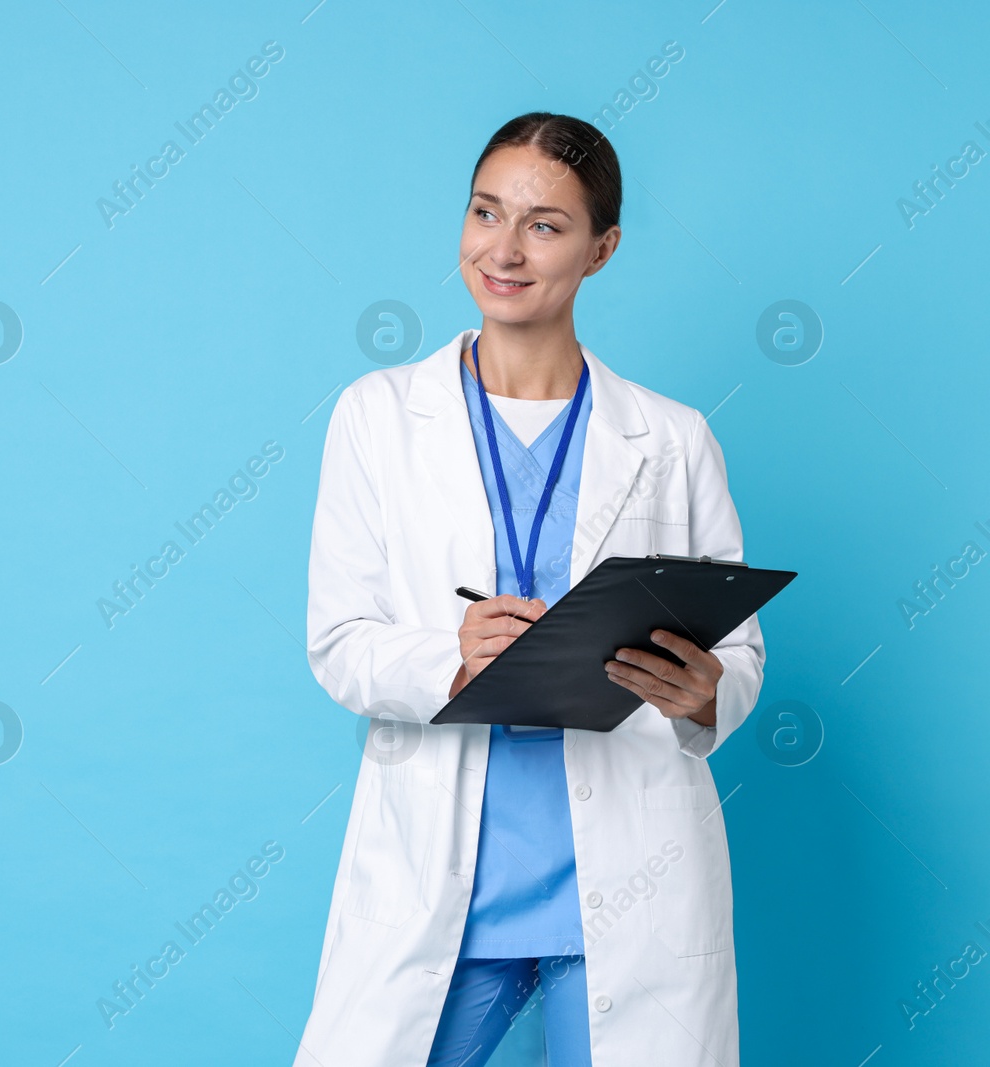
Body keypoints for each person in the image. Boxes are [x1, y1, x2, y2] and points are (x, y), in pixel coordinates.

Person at [294, 112, 764, 1067]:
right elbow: (340, 641)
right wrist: (448, 654)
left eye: (545, 225)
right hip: (444, 881)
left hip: (630, 878)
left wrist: (708, 693)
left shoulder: (671, 438)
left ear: (602, 248)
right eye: (484, 214)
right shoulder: (378, 416)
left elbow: (740, 652)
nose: (503, 251)